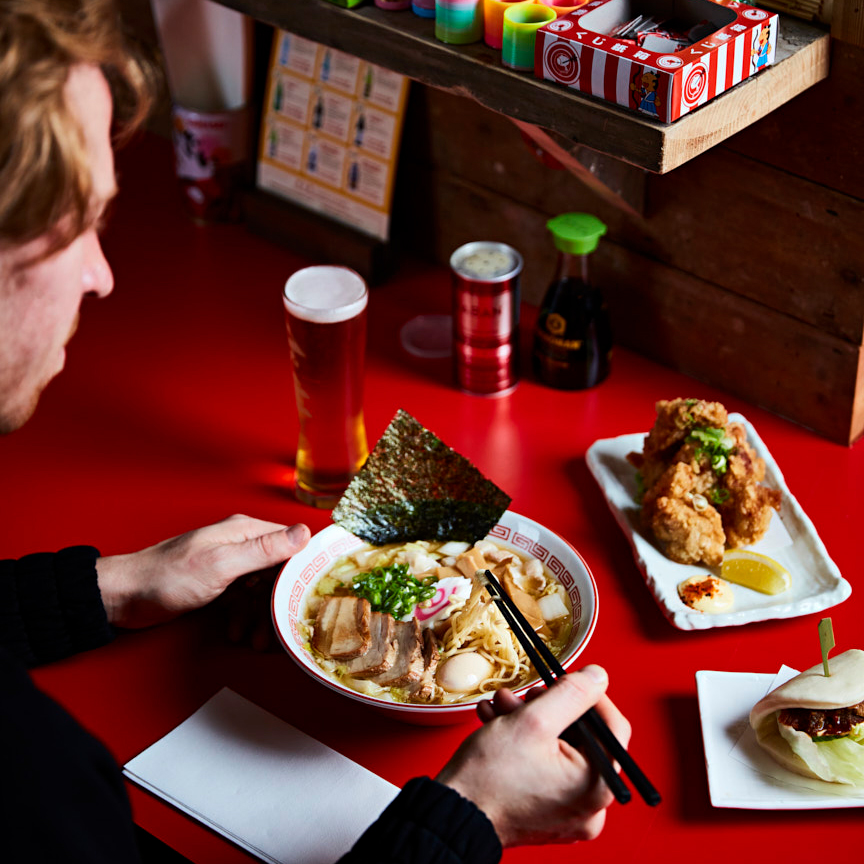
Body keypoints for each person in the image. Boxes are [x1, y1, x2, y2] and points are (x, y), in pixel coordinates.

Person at [0, 1, 631, 862]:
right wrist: (473, 815)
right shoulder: (35, 780)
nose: (105, 277)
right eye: (77, 229)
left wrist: (110, 588)